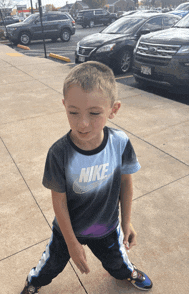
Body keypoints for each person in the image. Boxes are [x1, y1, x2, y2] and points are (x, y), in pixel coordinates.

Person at [21, 61, 153, 294]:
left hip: (107, 228)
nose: (82, 123)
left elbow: (126, 183)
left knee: (119, 264)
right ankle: (34, 281)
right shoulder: (59, 153)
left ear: (114, 109)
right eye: (73, 112)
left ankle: (129, 273)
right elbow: (58, 200)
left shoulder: (120, 143)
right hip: (67, 231)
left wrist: (126, 222)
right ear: (64, 106)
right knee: (50, 266)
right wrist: (72, 244)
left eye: (94, 113)